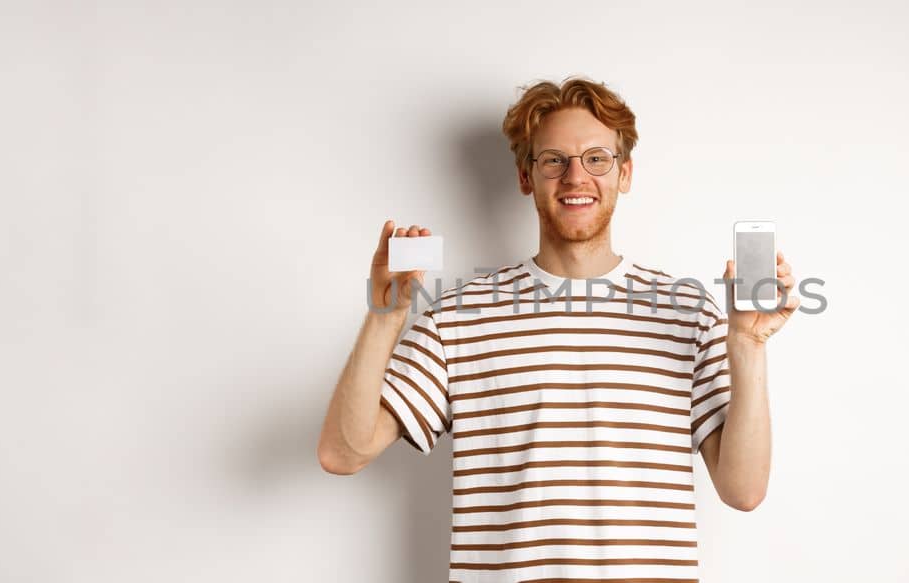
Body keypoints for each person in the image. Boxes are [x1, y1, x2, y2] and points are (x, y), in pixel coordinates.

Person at [316, 76, 799, 582]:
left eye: (596, 158)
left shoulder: (689, 313)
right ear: (527, 176)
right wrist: (386, 316)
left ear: (625, 173)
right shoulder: (457, 318)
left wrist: (746, 343)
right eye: (553, 160)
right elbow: (342, 452)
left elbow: (742, 490)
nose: (576, 177)